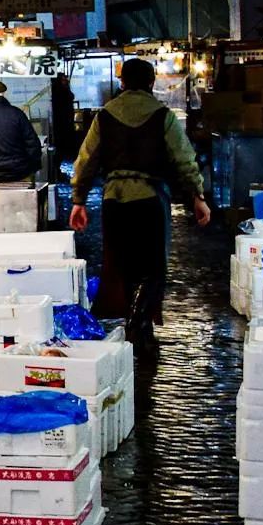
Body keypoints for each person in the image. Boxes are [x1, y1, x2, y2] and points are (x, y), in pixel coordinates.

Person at [69, 56, 211, 329]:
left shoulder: (105, 115)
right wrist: (198, 196)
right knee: (153, 267)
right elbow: (184, 159)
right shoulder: (163, 116)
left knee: (123, 264)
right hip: (149, 200)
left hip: (113, 200)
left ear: (122, 83)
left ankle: (135, 323)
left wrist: (79, 201)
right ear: (151, 81)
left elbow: (85, 161)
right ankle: (140, 324)